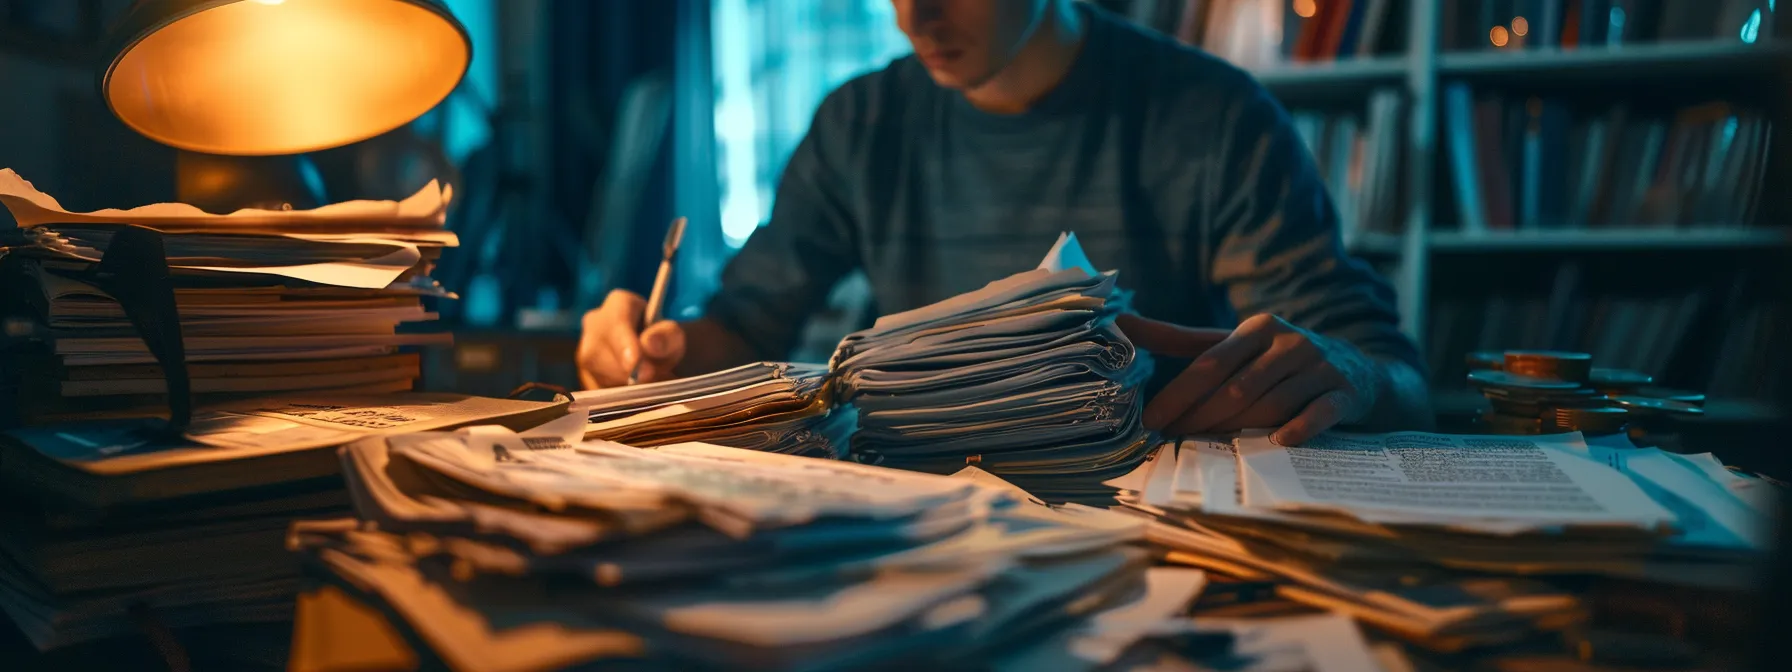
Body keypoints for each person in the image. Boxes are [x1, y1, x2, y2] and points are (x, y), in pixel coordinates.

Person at [579, 0, 1433, 446]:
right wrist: (663, 352)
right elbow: (746, 324)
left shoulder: (1210, 117)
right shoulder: (861, 122)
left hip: (1152, 517)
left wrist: (1350, 375)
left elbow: (1384, 371)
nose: (917, 14)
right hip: (921, 516)